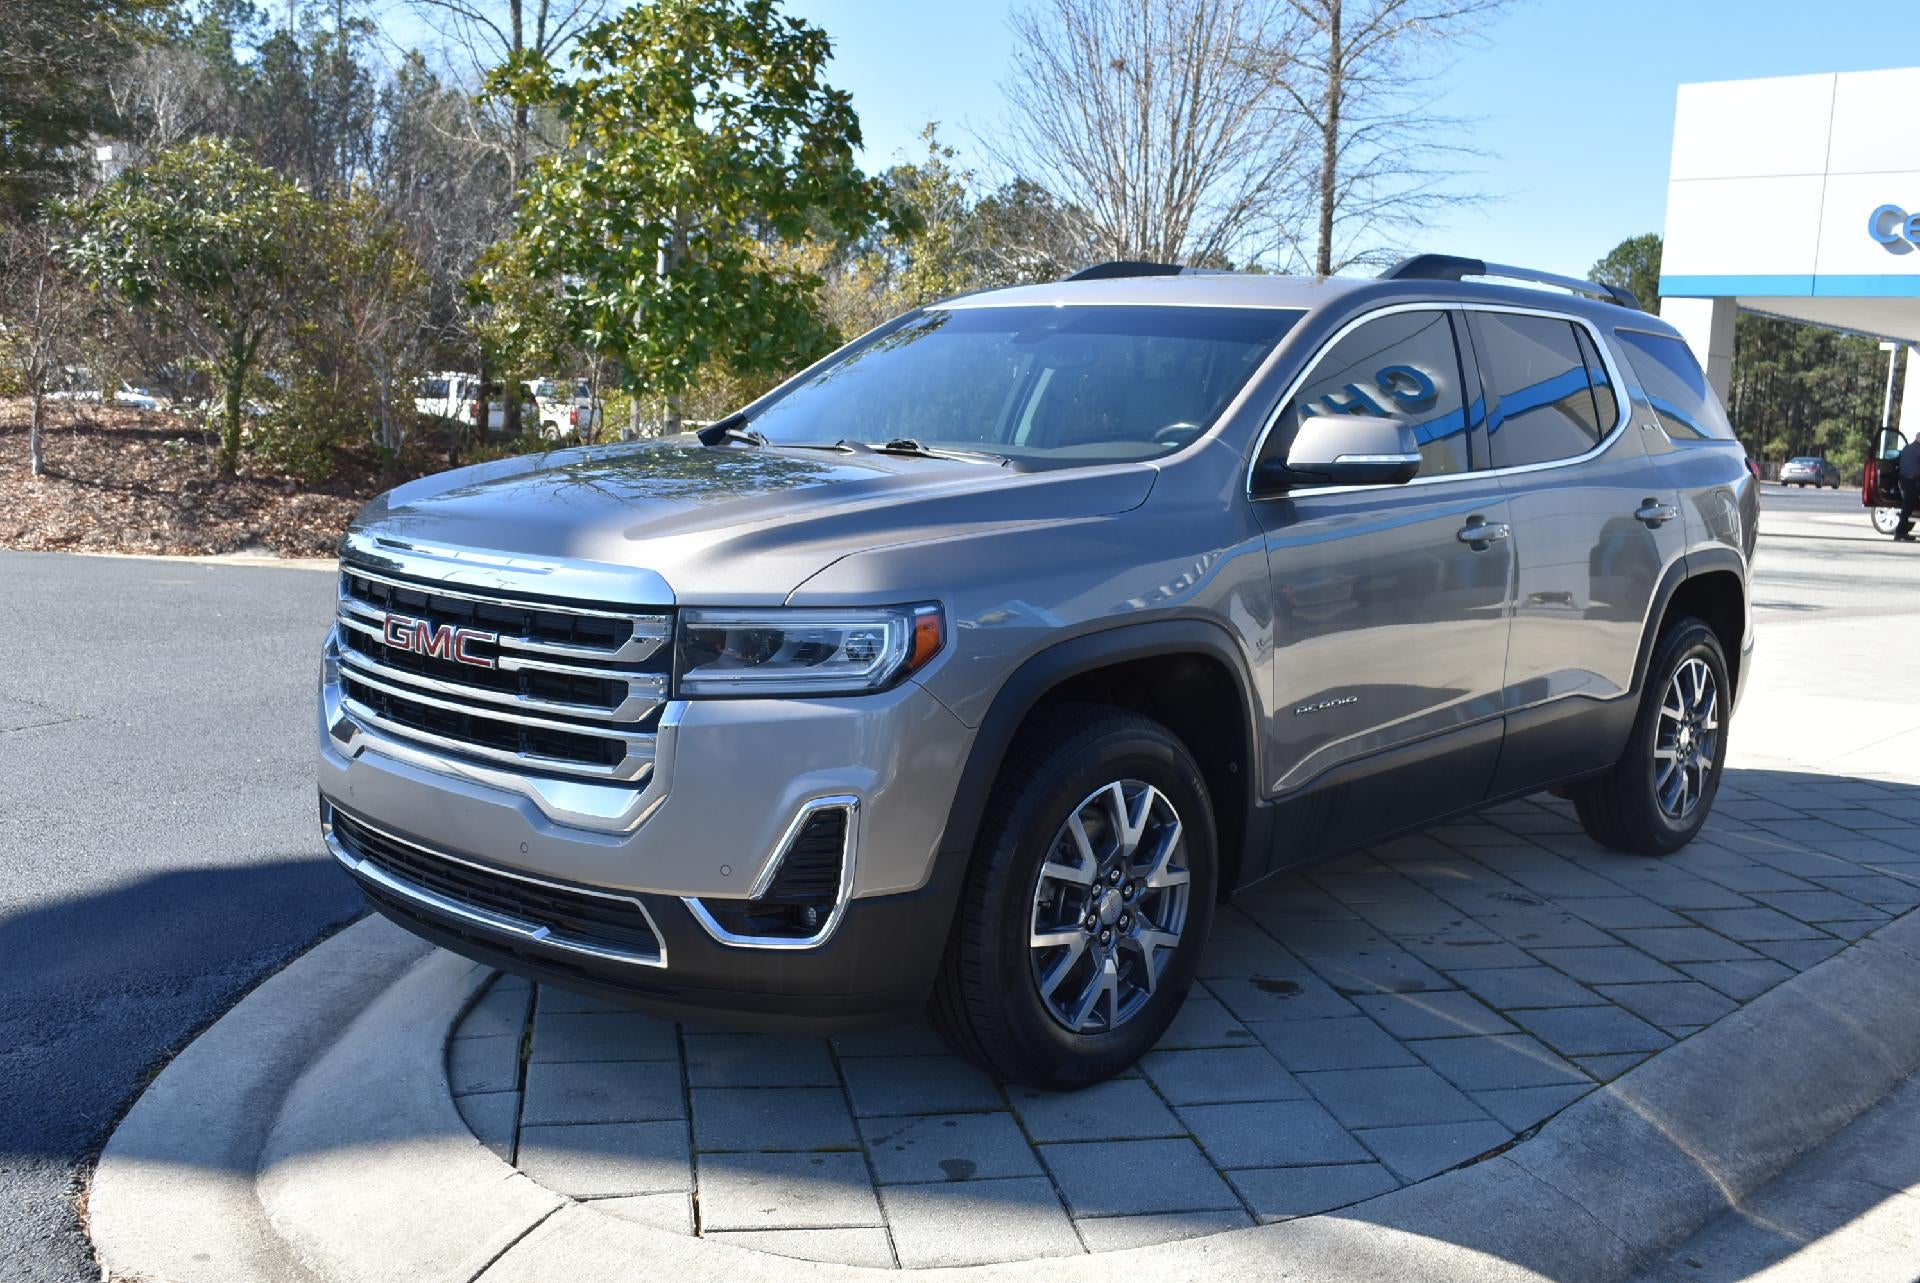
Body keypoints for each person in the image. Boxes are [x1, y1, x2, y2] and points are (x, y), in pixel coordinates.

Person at [1898, 436, 1920, 542]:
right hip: (1914, 482)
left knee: (1908, 507)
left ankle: (1902, 532)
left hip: (1904, 481)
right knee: (1907, 508)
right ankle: (1900, 532)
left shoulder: (1906, 448)